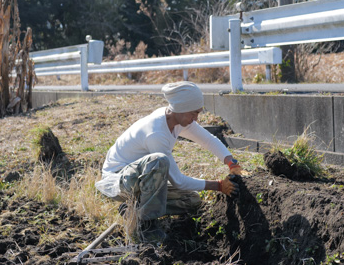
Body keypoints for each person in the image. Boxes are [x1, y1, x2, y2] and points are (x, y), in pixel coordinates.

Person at [95, 81, 243, 243]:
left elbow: (207, 140)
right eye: (194, 113)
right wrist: (218, 185)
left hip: (141, 178)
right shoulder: (156, 132)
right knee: (159, 161)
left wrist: (231, 162)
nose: (196, 119)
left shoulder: (177, 119)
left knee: (192, 200)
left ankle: (135, 211)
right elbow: (178, 181)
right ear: (180, 108)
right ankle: (146, 227)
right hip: (118, 180)